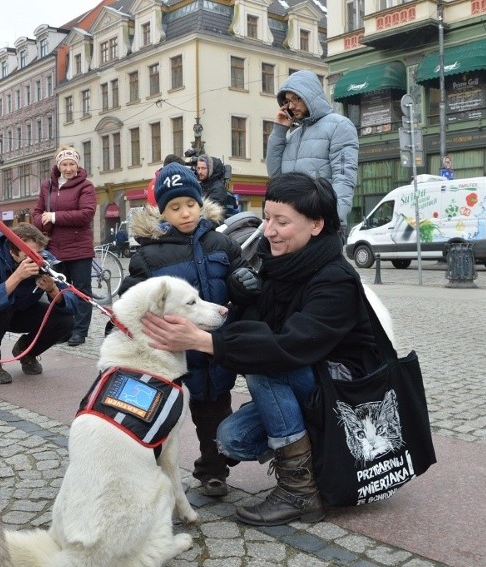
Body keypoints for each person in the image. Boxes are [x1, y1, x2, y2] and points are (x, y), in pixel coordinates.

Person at [141, 172, 381, 526]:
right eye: (267, 218)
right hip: (311, 387)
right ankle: (317, 459)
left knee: (264, 367)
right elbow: (256, 323)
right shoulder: (279, 263)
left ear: (316, 225)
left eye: (281, 222)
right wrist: (241, 297)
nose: (267, 230)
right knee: (231, 439)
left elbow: (289, 346)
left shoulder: (335, 278)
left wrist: (202, 341)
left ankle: (300, 492)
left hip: (347, 398)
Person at [119, 162, 259, 497]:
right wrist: (125, 303)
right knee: (163, 415)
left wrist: (245, 284)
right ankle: (151, 477)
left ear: (201, 203)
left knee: (214, 413)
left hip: (214, 349)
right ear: (163, 212)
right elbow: (133, 298)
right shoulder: (150, 255)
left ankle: (213, 471)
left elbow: (240, 283)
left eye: (191, 204)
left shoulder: (221, 244)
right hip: (174, 355)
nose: (185, 213)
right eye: (175, 207)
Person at [0, 223, 76, 384]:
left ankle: (26, 351)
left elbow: (73, 305)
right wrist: (17, 276)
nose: (36, 259)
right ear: (12, 252)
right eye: (29, 254)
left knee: (65, 321)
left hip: (22, 308)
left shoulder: (46, 261)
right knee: (1, 305)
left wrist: (53, 290)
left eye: (38, 252)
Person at [266, 70, 358, 237]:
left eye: (296, 98)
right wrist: (279, 130)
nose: (291, 106)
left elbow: (344, 176)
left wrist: (334, 221)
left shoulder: (340, 126)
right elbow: (276, 177)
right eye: (288, 101)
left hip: (322, 226)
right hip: (293, 227)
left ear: (310, 95)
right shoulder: (294, 135)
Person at [32, 146, 96, 346]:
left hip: (79, 247)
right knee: (59, 290)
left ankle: (80, 331)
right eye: (65, 164)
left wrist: (55, 217)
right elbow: (37, 213)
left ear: (78, 166)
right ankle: (65, 328)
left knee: (81, 290)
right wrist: (42, 221)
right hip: (55, 248)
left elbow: (86, 214)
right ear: (58, 165)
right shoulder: (47, 187)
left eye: (72, 164)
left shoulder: (86, 186)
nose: (68, 168)